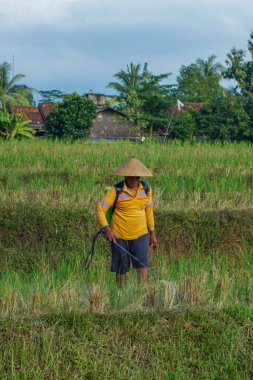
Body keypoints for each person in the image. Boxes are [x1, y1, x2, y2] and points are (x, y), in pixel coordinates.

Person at [96, 157, 157, 286]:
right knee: (121, 268)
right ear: (125, 176)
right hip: (119, 236)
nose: (134, 180)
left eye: (136, 177)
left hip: (141, 234)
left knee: (143, 264)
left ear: (140, 177)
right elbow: (100, 209)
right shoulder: (116, 190)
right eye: (130, 177)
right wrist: (108, 230)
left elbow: (149, 211)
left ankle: (142, 292)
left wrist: (152, 233)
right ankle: (120, 295)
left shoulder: (146, 189)